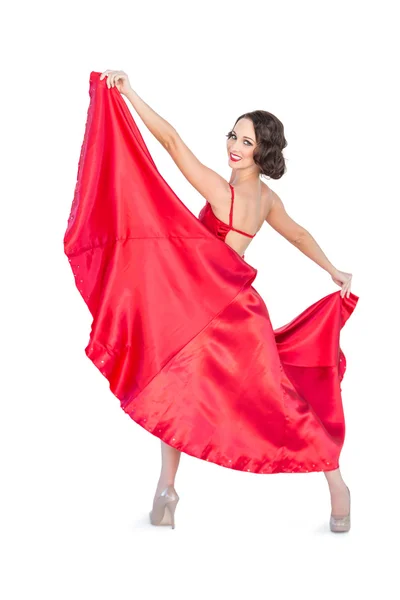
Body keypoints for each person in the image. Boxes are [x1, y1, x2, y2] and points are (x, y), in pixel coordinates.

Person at [65, 70, 357, 533]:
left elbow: (173, 144)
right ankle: (171, 489)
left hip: (209, 313)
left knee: (186, 389)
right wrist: (333, 270)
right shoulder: (266, 198)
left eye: (246, 141)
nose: (234, 146)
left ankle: (330, 484)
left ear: (263, 151)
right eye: (233, 135)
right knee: (210, 391)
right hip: (237, 310)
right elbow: (298, 234)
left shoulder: (225, 192)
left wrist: (130, 94)